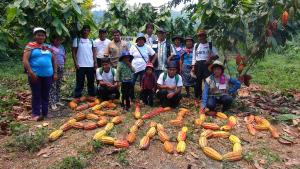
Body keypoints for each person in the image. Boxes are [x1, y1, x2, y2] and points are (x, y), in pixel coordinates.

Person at [23, 27, 57, 121]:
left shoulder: (48, 47)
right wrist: (30, 72)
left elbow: (54, 60)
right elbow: (25, 60)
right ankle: (35, 114)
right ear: (35, 36)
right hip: (35, 75)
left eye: (42, 35)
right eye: (38, 35)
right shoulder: (30, 46)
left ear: (45, 36)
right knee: (36, 94)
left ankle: (45, 113)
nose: (40, 37)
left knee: (46, 94)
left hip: (48, 75)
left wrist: (55, 73)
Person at [192, 29, 219, 101]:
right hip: (198, 64)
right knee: (198, 81)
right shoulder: (196, 45)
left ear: (205, 36)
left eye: (202, 36)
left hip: (207, 65)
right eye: (199, 36)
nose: (201, 38)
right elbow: (194, 57)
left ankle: (212, 95)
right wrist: (193, 66)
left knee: (209, 80)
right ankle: (198, 96)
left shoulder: (210, 45)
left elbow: (217, 55)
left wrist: (210, 58)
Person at [72, 25, 97, 98]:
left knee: (91, 81)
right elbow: (73, 52)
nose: (85, 31)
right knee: (80, 82)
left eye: (87, 30)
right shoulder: (77, 40)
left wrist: (95, 62)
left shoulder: (92, 41)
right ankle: (77, 95)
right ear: (82, 31)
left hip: (90, 65)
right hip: (80, 65)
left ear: (89, 32)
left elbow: (94, 52)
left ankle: (91, 95)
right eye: (84, 30)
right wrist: (76, 63)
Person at [49, 34, 66, 111]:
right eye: (56, 39)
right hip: (53, 68)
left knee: (59, 84)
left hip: (61, 67)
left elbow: (64, 56)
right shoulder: (49, 47)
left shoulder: (62, 47)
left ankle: (57, 100)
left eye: (59, 40)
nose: (58, 41)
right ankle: (52, 103)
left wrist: (63, 64)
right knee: (53, 85)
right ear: (53, 40)